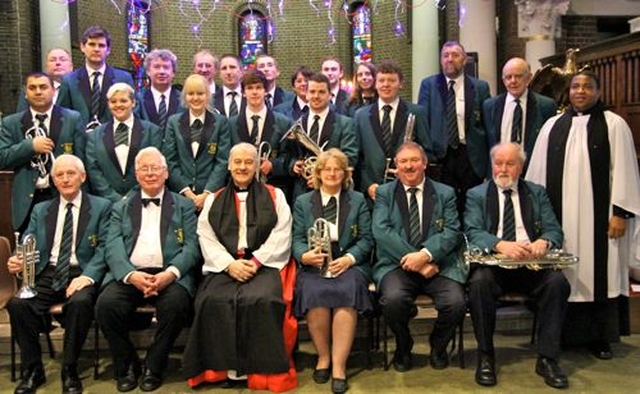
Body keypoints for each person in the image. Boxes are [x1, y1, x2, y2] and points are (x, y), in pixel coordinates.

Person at [526, 70, 640, 359]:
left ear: (598, 92)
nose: (581, 91)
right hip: (559, 221)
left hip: (600, 223)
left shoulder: (615, 125)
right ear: (568, 92)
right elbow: (537, 174)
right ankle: (558, 335)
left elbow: (626, 171)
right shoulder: (552, 126)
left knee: (599, 273)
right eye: (576, 86)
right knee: (561, 276)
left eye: (587, 87)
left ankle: (600, 338)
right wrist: (535, 218)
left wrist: (620, 214)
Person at [183, 143, 298, 393]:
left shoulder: (275, 196)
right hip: (226, 264)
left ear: (257, 166)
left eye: (248, 162)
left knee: (263, 299)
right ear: (229, 165)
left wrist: (256, 261)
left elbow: (282, 234)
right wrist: (229, 264)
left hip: (264, 263)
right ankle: (222, 369)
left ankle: (258, 368)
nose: (243, 167)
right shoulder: (213, 199)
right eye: (238, 162)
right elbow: (206, 236)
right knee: (211, 300)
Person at [464, 142, 569, 389]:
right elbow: (472, 230)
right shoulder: (476, 194)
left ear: (520, 167)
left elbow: (554, 229)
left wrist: (544, 241)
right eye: (498, 163)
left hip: (530, 265)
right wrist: (501, 244)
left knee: (557, 283)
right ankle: (486, 355)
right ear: (492, 165)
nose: (503, 169)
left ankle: (547, 358)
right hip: (495, 265)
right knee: (479, 284)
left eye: (510, 164)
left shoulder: (536, 192)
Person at [95, 147, 200, 392]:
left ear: (166, 174)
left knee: (176, 306)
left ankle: (155, 364)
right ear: (136, 173)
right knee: (105, 306)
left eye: (155, 168)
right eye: (144, 168)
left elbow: (193, 245)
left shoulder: (184, 205)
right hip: (130, 274)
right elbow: (112, 245)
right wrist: (131, 275)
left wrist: (170, 273)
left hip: (170, 275)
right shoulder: (121, 207)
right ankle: (127, 364)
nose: (150, 173)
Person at [7, 154, 112, 394]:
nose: (65, 179)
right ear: (53, 180)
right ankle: (33, 369)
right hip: (48, 271)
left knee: (81, 302)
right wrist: (19, 259)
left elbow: (105, 249)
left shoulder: (101, 207)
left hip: (81, 272)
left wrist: (87, 277)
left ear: (83, 177)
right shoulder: (42, 209)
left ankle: (69, 368)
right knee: (18, 305)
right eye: (60, 175)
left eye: (71, 173)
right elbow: (28, 241)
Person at [372, 141, 466, 373]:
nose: (409, 166)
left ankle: (438, 346)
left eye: (414, 160)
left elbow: (452, 231)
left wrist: (425, 255)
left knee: (456, 303)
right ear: (396, 165)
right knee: (392, 301)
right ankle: (404, 347)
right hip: (396, 264)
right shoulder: (384, 193)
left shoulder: (445, 193)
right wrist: (414, 260)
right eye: (403, 161)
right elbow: (381, 231)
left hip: (438, 265)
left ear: (425, 163)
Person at [292, 148, 373, 394]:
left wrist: (349, 259)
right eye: (326, 169)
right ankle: (323, 357)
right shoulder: (303, 202)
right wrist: (304, 255)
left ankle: (339, 366)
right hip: (315, 265)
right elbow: (296, 238)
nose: (332, 173)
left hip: (348, 263)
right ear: (317, 173)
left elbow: (367, 239)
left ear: (345, 173)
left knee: (347, 291)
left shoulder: (357, 199)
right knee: (314, 292)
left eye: (337, 168)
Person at [0, 72, 86, 235]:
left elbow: (82, 160)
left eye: (43, 87)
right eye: (32, 88)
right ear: (26, 94)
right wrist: (30, 146)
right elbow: (2, 158)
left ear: (54, 91)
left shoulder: (73, 119)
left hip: (63, 195)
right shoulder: (11, 123)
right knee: (29, 252)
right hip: (27, 201)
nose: (38, 92)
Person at [418, 41, 491, 213]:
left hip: (471, 155)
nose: (450, 59)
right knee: (444, 205)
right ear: (441, 60)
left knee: (471, 205)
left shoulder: (480, 87)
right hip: (441, 155)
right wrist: (428, 155)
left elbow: (488, 125)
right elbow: (423, 122)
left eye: (455, 55)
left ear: (464, 60)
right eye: (445, 55)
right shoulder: (428, 85)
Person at [354, 61, 431, 202]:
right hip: (373, 193)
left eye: (391, 80)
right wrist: (368, 185)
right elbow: (357, 157)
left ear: (401, 83)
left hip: (407, 189)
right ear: (375, 84)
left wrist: (410, 171)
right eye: (381, 80)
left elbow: (426, 150)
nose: (385, 85)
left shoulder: (417, 112)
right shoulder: (361, 116)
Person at [163, 74, 230, 212]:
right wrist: (187, 193)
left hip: (212, 197)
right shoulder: (173, 122)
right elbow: (170, 160)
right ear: (185, 97)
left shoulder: (221, 123)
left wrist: (206, 193)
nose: (195, 98)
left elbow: (222, 161)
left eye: (200, 93)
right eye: (191, 93)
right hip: (180, 196)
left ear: (207, 95)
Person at [85, 83, 163, 203]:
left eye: (123, 100)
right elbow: (93, 169)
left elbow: (156, 166)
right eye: (113, 101)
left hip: (142, 199)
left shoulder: (152, 131)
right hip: (107, 202)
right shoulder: (95, 135)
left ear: (133, 103)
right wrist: (113, 197)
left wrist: (131, 196)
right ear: (108, 104)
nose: (118, 105)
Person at [287, 73, 358, 202]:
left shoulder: (345, 123)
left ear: (330, 95)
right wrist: (293, 165)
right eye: (312, 91)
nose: (316, 96)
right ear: (306, 94)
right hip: (302, 192)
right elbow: (290, 155)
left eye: (321, 92)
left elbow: (350, 157)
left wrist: (320, 176)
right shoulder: (296, 124)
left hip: (335, 190)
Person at [483, 58, 557, 170]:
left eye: (518, 76)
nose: (513, 81)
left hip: (533, 170)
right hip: (500, 171)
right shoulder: (490, 106)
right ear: (503, 80)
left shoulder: (546, 105)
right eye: (508, 77)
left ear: (529, 78)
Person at [228, 70, 292, 193]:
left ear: (266, 91)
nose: (255, 92)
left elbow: (289, 156)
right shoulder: (231, 124)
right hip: (239, 189)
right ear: (243, 93)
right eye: (250, 88)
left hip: (273, 187)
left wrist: (273, 165)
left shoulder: (283, 122)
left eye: (259, 88)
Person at [58, 26, 134, 127]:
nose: (96, 49)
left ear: (108, 50)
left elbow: (133, 112)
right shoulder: (69, 80)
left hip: (114, 139)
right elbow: (62, 114)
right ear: (82, 47)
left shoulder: (123, 78)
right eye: (92, 44)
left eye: (101, 45)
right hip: (80, 139)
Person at [136, 49, 182, 132]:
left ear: (173, 72)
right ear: (148, 71)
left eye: (166, 67)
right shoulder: (138, 99)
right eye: (157, 67)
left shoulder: (184, 99)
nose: (161, 71)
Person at [16, 48, 73, 112]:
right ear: (46, 67)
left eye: (63, 60)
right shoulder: (30, 89)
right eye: (52, 60)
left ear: (71, 66)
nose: (58, 63)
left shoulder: (80, 88)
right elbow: (21, 117)